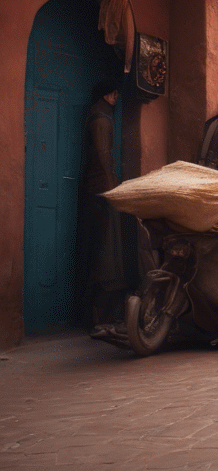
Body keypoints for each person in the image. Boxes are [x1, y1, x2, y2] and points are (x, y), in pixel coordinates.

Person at [80, 81, 127, 326]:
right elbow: (102, 157)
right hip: (101, 192)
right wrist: (112, 190)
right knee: (104, 250)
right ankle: (97, 313)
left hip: (99, 190)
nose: (117, 98)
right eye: (115, 93)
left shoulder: (100, 115)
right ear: (109, 93)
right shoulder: (100, 119)